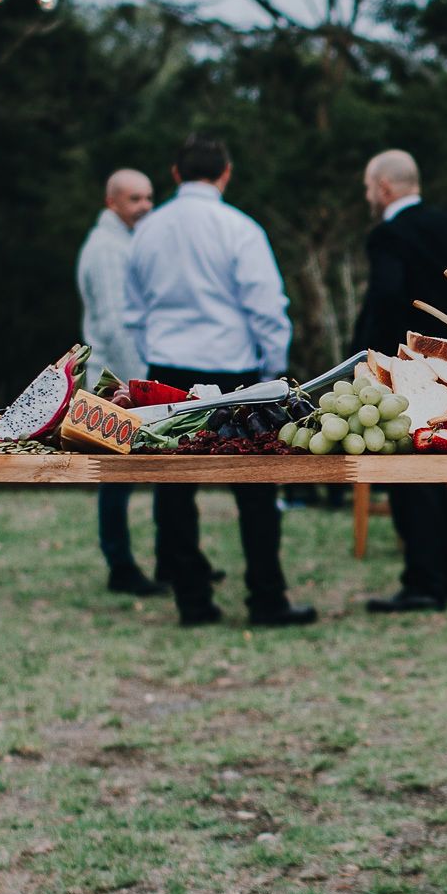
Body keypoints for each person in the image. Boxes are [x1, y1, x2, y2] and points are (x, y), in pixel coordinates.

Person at [121, 136, 315, 629]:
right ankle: (267, 597)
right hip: (237, 374)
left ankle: (193, 601)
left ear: (174, 173)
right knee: (255, 487)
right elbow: (268, 309)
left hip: (167, 368)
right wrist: (273, 375)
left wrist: (151, 361)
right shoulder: (241, 228)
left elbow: (134, 310)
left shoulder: (147, 231)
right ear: (226, 173)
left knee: (172, 489)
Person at [351, 149, 447, 614]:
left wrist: (371, 362)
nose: (369, 195)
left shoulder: (389, 235)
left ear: (384, 187)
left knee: (407, 476)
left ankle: (423, 583)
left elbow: (386, 299)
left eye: (369, 186)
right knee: (436, 472)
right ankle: (446, 577)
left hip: (406, 375)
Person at [74, 168, 160, 597]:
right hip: (117, 378)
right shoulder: (108, 249)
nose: (145, 206)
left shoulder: (126, 241)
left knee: (151, 468)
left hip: (128, 373)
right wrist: (137, 384)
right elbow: (114, 324)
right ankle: (120, 565)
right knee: (116, 472)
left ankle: (167, 559)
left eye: (148, 197)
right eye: (134, 199)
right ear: (113, 202)